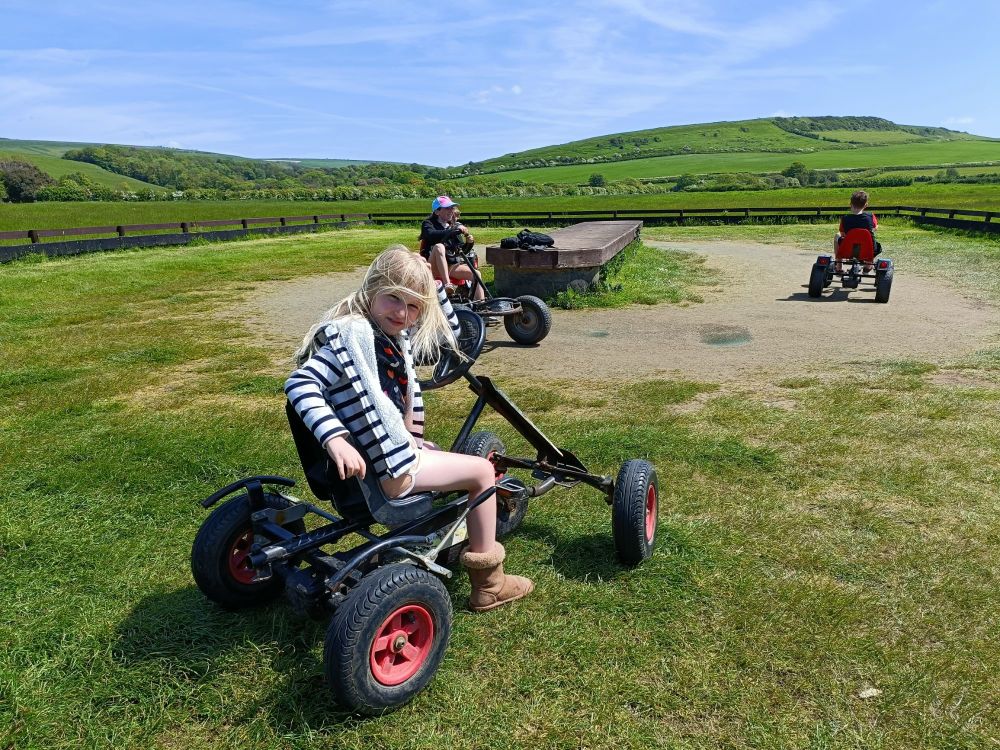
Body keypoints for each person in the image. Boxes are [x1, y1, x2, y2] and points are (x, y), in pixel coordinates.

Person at [284, 246, 533, 611]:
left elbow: (451, 329)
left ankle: (424, 466)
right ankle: (490, 584)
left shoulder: (380, 337)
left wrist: (439, 284)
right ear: (372, 291)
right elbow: (300, 384)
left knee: (434, 452)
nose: (403, 313)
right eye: (393, 299)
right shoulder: (350, 338)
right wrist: (335, 439)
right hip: (391, 477)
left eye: (415, 306)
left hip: (376, 465)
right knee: (482, 471)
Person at [419, 195, 485, 301]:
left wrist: (469, 243)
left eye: (452, 208)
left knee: (476, 274)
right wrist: (452, 230)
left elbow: (461, 251)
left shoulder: (452, 226)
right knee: (439, 247)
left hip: (451, 266)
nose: (451, 211)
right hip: (432, 266)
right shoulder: (428, 224)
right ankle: (447, 284)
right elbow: (431, 235)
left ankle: (481, 304)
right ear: (437, 212)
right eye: (447, 208)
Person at [834, 190, 882, 271]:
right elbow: (874, 228)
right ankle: (868, 265)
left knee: (837, 235)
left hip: (848, 250)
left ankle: (839, 265)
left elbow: (843, 234)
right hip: (868, 250)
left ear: (850, 204)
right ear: (866, 205)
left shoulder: (845, 218)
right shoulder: (870, 216)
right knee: (872, 240)